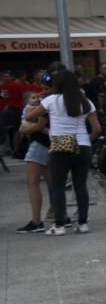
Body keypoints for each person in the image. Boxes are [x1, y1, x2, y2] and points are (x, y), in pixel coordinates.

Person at [26, 70, 100, 236]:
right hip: (83, 146)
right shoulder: (85, 101)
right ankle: (82, 223)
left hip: (60, 146)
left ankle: (59, 225)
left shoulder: (51, 101)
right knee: (80, 185)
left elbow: (31, 117)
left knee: (58, 186)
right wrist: (87, 138)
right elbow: (97, 129)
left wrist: (35, 101)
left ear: (56, 84)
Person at [16, 90, 50, 233]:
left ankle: (36, 221)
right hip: (50, 144)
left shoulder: (41, 107)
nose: (37, 99)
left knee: (32, 182)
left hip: (39, 145)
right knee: (52, 182)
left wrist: (26, 130)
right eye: (33, 97)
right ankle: (62, 215)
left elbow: (40, 126)